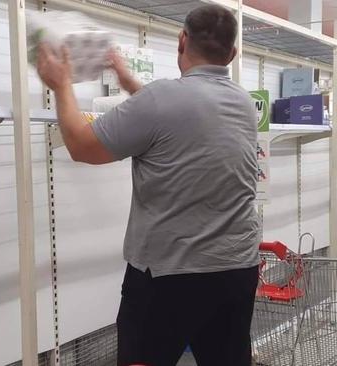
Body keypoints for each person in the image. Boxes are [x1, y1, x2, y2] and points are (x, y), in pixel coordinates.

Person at [36, 4, 260, 366]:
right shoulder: (244, 102)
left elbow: (81, 145)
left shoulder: (160, 100)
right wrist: (128, 81)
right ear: (232, 54)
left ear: (181, 39)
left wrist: (61, 84)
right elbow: (179, 115)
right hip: (236, 272)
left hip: (168, 280)